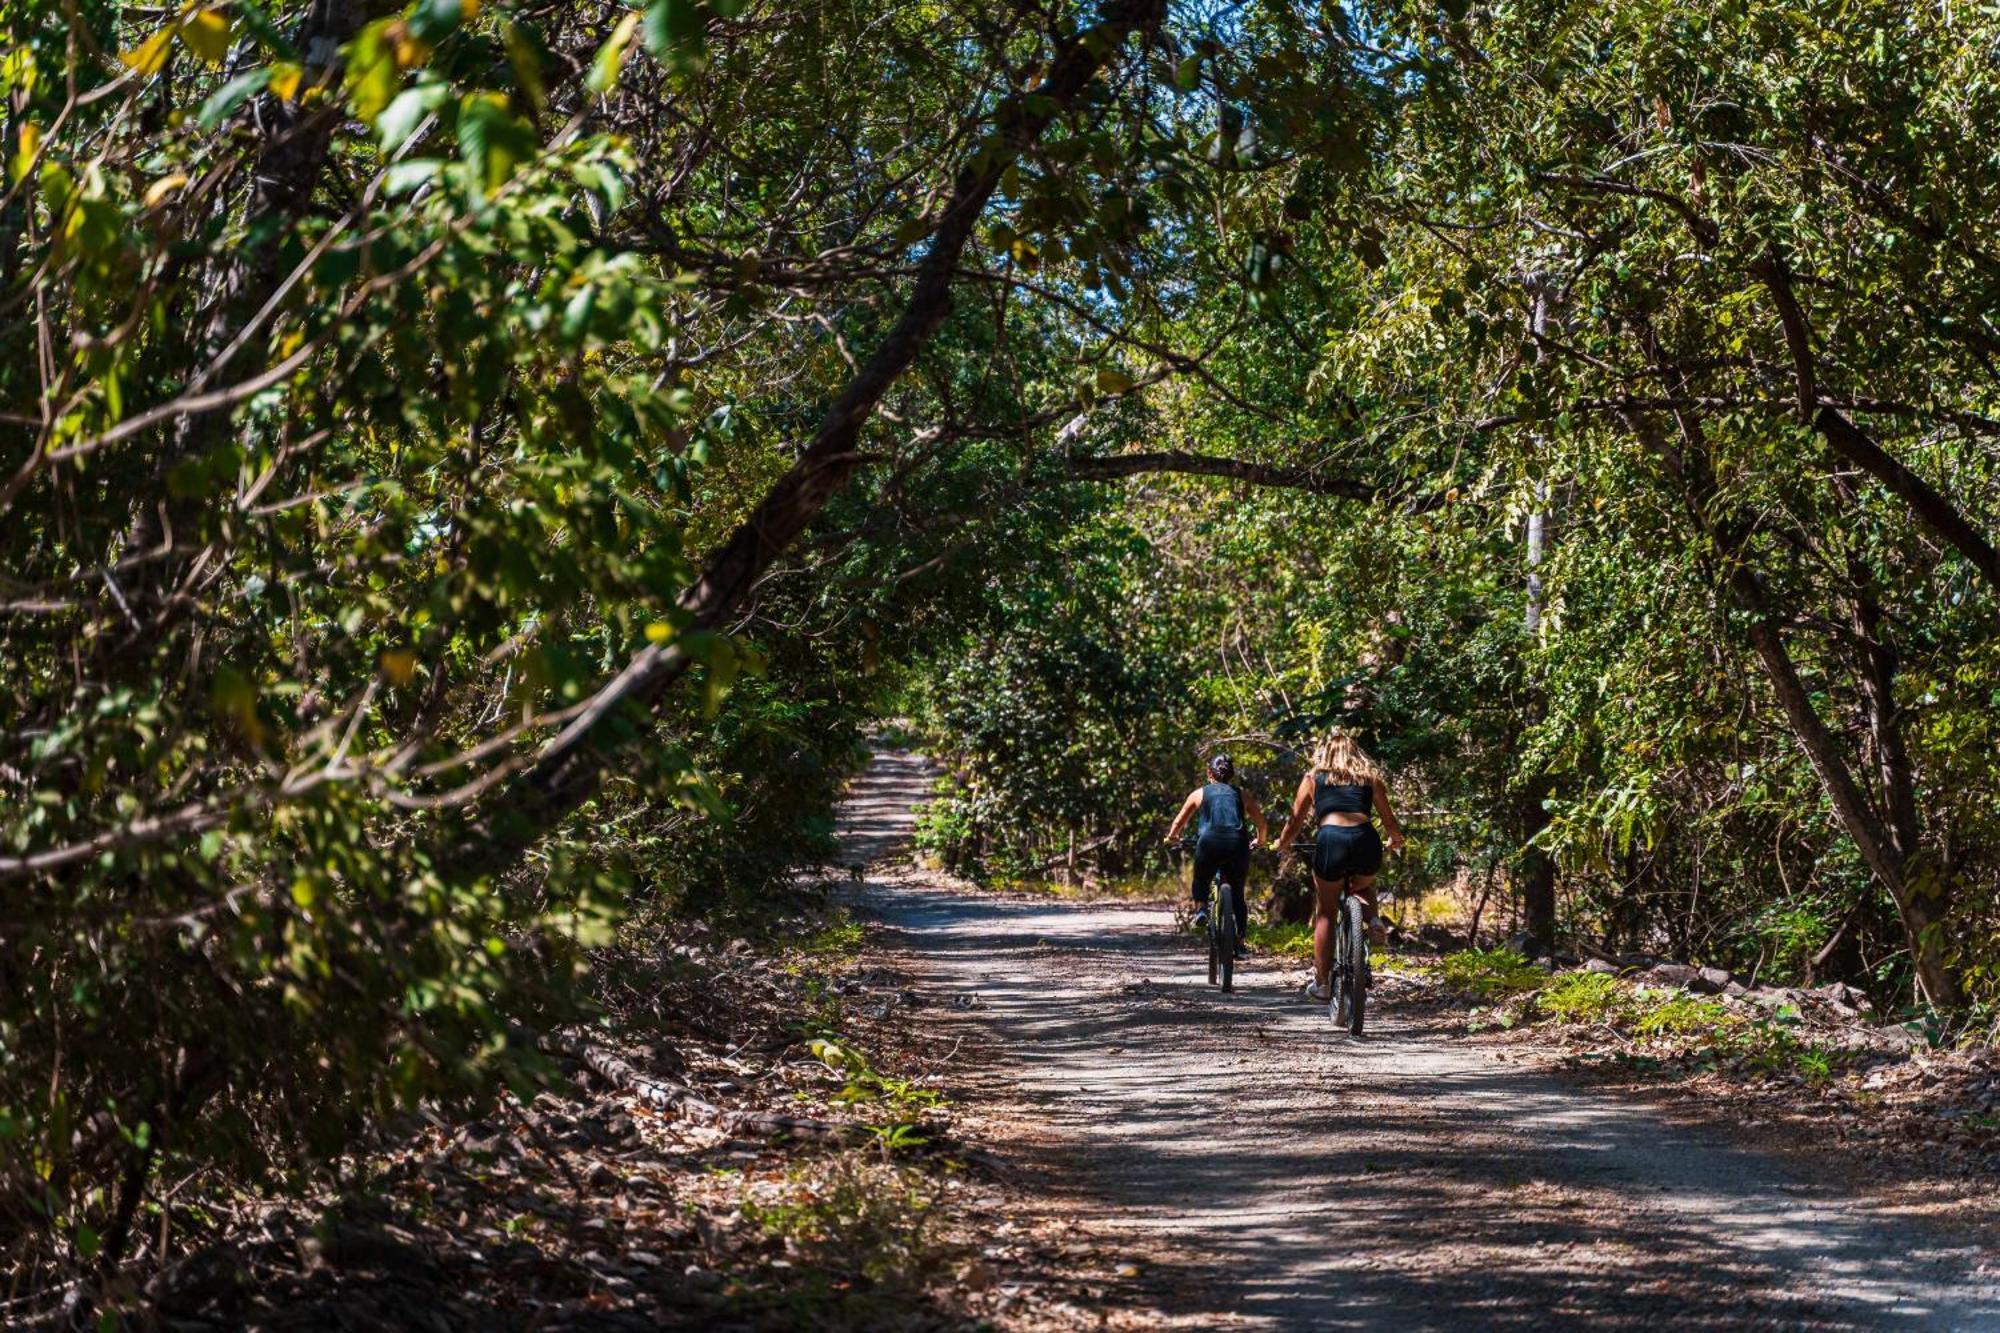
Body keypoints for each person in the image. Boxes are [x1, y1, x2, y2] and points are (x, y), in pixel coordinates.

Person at [1273, 728, 1406, 1001]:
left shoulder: (1312, 779)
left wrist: (1281, 844)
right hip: (1365, 839)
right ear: (1356, 753)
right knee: (1363, 881)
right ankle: (1373, 919)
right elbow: (1389, 821)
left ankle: (1322, 983)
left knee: (1326, 912)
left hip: (1331, 839)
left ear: (1325, 753)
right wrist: (1395, 839)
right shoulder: (1369, 779)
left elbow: (1294, 821)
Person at [1164, 754, 1269, 959]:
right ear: (1231, 774)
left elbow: (1178, 823)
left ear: (1209, 772)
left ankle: (1201, 910)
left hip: (1209, 842)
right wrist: (1261, 841)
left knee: (1201, 878)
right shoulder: (1242, 794)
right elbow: (1262, 824)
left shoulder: (1199, 794)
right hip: (1237, 843)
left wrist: (1172, 837)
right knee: (1238, 893)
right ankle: (1239, 942)